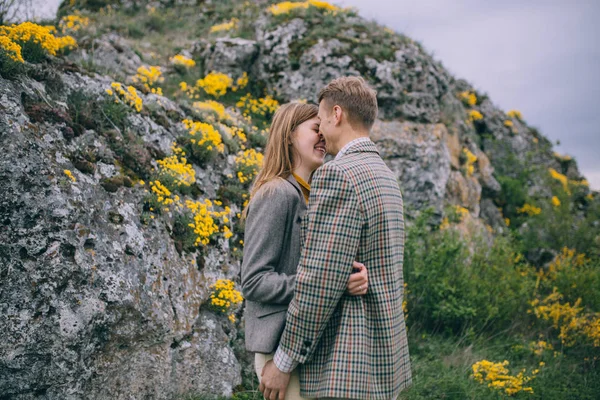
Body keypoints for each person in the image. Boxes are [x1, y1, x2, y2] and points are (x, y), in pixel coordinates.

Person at [260, 76, 412, 400]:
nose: (321, 132)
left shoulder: (338, 174)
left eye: (322, 120)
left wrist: (284, 362)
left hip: (348, 361)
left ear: (337, 115)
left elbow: (319, 280)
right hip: (386, 361)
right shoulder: (387, 176)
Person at [240, 102, 369, 400]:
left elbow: (318, 265)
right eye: (315, 130)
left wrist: (352, 276)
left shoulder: (311, 195)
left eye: (323, 129)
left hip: (305, 345)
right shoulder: (277, 193)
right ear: (288, 135)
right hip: (278, 348)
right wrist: (328, 284)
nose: (323, 137)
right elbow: (254, 280)